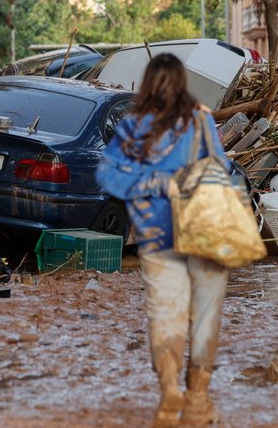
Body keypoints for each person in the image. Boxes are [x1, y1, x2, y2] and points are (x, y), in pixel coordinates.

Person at [97, 54, 230, 428]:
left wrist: (146, 185)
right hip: (202, 235)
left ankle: (171, 390)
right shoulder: (201, 119)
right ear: (183, 82)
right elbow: (219, 168)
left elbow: (107, 176)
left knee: (166, 316)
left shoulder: (133, 128)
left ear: (149, 83)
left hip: (156, 240)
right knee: (204, 318)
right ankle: (199, 398)